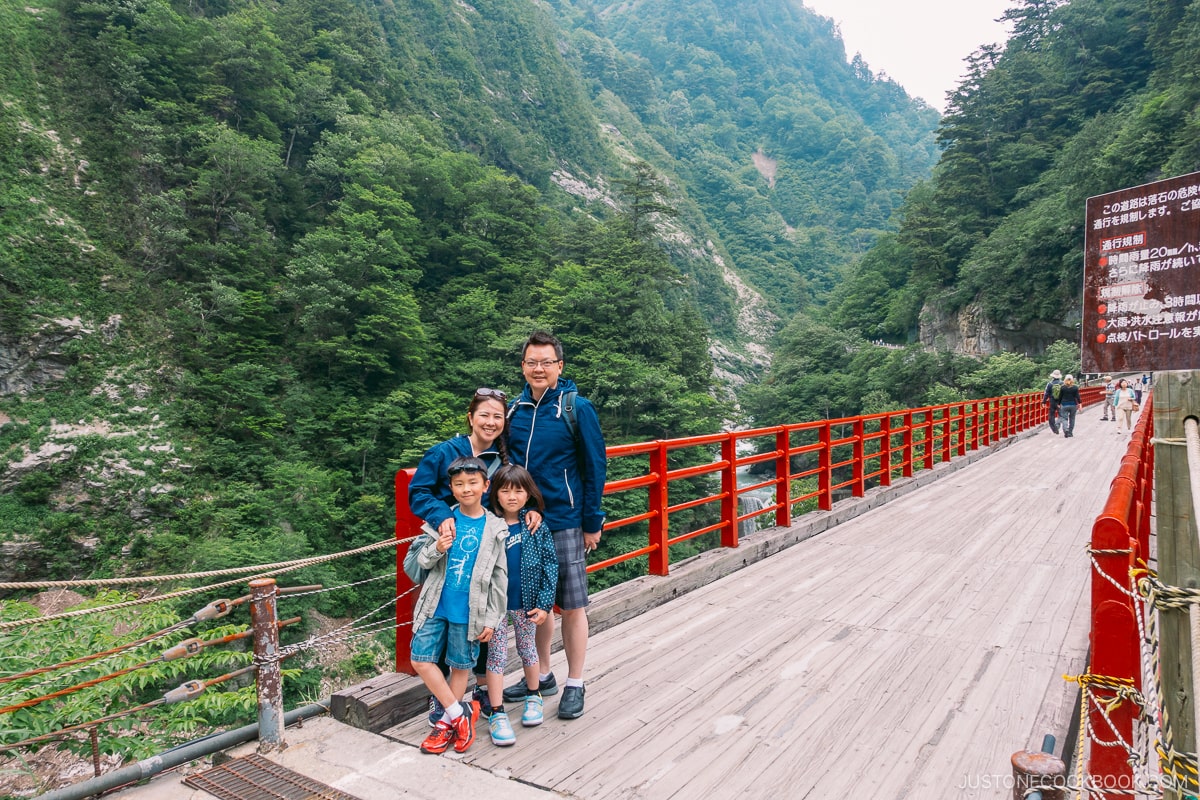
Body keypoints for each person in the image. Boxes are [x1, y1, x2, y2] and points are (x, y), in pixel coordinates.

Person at [408, 390, 543, 725]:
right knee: (441, 617)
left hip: (484, 546)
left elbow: (508, 495)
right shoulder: (445, 452)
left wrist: (529, 511)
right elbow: (419, 491)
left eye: (498, 417)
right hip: (447, 545)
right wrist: (442, 516)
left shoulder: (503, 460)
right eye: (484, 415)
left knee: (477, 616)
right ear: (471, 417)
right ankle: (442, 703)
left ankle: (477, 690)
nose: (490, 422)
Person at [503, 331, 607, 720]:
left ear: (560, 366)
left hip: (564, 519)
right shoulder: (515, 410)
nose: (539, 368)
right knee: (535, 605)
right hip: (525, 522)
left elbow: (595, 466)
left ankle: (576, 682)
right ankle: (542, 675)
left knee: (573, 605)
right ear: (523, 366)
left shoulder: (576, 407)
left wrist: (591, 521)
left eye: (546, 362)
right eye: (532, 362)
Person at [409, 457, 509, 755]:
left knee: (460, 665)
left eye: (473, 483)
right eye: (459, 484)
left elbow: (499, 579)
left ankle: (445, 725)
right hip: (435, 605)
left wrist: (492, 619)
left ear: (485, 485)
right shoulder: (442, 522)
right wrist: (435, 548)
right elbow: (417, 566)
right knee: (420, 659)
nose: (466, 489)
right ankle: (458, 713)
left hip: (472, 611)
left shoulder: (495, 528)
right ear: (451, 489)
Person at [482, 464, 558, 744]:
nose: (512, 496)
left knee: (529, 649)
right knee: (497, 656)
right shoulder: (488, 523)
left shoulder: (535, 525)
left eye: (518, 490)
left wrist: (545, 603)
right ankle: (497, 710)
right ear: (495, 494)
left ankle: (533, 695)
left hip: (526, 602)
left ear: (529, 494)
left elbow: (551, 565)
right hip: (496, 606)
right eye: (505, 490)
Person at [1042, 369, 1064, 435]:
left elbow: (1046, 393)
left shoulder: (1050, 384)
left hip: (1052, 401)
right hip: (1060, 402)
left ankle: (1054, 429)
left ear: (1053, 376)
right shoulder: (1062, 383)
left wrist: (1044, 402)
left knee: (1051, 415)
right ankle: (1057, 425)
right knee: (1061, 415)